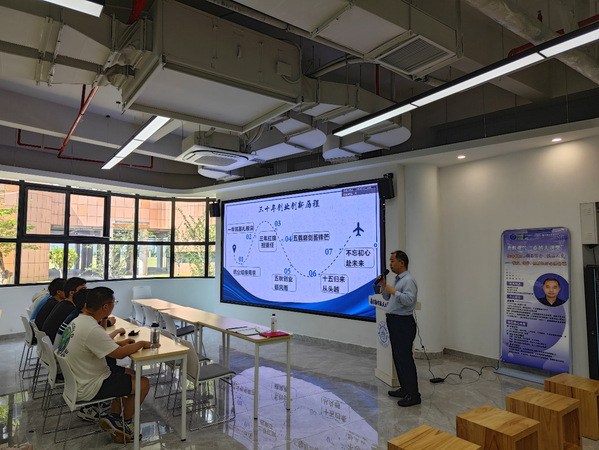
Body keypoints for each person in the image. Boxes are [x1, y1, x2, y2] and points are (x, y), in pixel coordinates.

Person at [56, 287, 156, 443]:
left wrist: (120, 343)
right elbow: (119, 354)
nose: (114, 306)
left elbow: (102, 344)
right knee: (143, 383)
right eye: (114, 303)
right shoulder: (91, 328)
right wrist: (142, 343)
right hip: (90, 385)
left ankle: (114, 419)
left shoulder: (79, 321)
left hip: (79, 380)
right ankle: (126, 424)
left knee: (128, 374)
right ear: (105, 307)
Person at [378, 250, 421, 407]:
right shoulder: (397, 280)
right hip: (395, 322)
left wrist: (394, 291)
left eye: (392, 261)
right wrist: (384, 286)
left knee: (405, 359)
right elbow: (387, 297)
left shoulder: (409, 280)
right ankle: (405, 389)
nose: (390, 264)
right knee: (398, 357)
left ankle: (414, 395)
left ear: (401, 263)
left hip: (403, 323)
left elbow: (409, 300)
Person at [42, 277, 87, 343]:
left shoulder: (62, 304)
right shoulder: (71, 309)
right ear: (71, 293)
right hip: (56, 344)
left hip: (50, 342)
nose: (86, 293)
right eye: (82, 290)